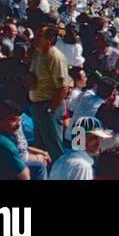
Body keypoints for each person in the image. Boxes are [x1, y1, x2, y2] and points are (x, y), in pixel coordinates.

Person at [27, 24, 70, 163]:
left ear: (50, 40)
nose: (35, 37)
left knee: (54, 147)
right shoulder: (38, 53)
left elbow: (63, 88)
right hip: (37, 104)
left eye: (39, 35)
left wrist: (51, 110)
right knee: (40, 147)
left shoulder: (55, 57)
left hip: (49, 106)